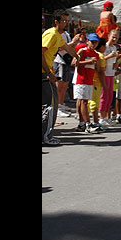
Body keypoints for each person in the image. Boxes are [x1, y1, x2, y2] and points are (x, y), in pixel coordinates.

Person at [42, 10, 80, 145]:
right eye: (63, 21)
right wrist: (48, 72)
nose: (66, 23)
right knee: (50, 105)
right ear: (56, 22)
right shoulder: (51, 34)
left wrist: (76, 56)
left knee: (50, 103)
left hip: (46, 72)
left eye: (67, 21)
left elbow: (67, 48)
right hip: (44, 73)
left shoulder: (58, 36)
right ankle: (46, 137)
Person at [73, 33, 100, 132]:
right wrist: (88, 62)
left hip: (90, 80)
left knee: (83, 102)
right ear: (87, 41)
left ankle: (82, 124)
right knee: (83, 102)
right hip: (81, 79)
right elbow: (74, 63)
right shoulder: (82, 51)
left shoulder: (96, 54)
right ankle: (88, 124)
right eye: (92, 42)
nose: (94, 44)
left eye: (96, 42)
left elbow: (97, 68)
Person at [99, 29, 121, 126]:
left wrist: (116, 64)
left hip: (111, 73)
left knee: (109, 96)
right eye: (113, 37)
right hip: (104, 73)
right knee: (104, 95)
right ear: (108, 36)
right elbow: (100, 58)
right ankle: (101, 117)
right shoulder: (105, 47)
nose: (114, 39)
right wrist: (109, 56)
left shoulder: (114, 48)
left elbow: (113, 62)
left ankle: (106, 116)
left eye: (116, 38)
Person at [88, 40, 107, 132]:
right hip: (96, 82)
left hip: (89, 81)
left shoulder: (92, 54)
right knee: (94, 103)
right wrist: (104, 84)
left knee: (89, 102)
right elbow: (101, 71)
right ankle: (95, 122)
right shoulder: (100, 56)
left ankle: (86, 122)